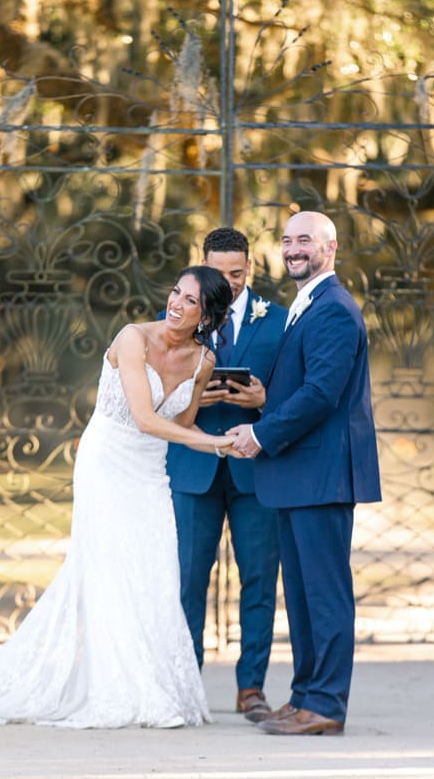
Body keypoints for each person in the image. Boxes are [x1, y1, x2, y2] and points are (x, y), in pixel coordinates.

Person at [0, 266, 236, 729]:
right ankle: (118, 691)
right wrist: (218, 443)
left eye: (190, 300)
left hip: (150, 472)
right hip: (107, 461)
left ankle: (155, 686)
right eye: (175, 291)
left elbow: (181, 425)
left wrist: (217, 434)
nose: (176, 303)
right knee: (108, 569)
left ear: (206, 314)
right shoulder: (133, 338)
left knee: (156, 567)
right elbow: (145, 419)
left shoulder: (203, 362)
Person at [228, 211, 381, 736]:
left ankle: (326, 705)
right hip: (297, 474)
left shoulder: (334, 308)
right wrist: (265, 400)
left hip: (321, 475)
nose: (293, 249)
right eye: (287, 240)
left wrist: (261, 432)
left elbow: (321, 394)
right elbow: (304, 385)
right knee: (300, 597)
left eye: (304, 240)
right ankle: (302, 697)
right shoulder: (305, 304)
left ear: (330, 248)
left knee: (324, 594)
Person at [165, 227, 287, 723]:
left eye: (238, 274)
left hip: (254, 471)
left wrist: (264, 401)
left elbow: (300, 394)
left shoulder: (277, 321)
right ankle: (187, 685)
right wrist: (193, 399)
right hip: (193, 469)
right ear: (202, 266)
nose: (230, 283)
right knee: (188, 581)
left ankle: (251, 689)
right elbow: (152, 397)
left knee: (259, 580)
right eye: (220, 273)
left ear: (251, 270)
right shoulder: (176, 319)